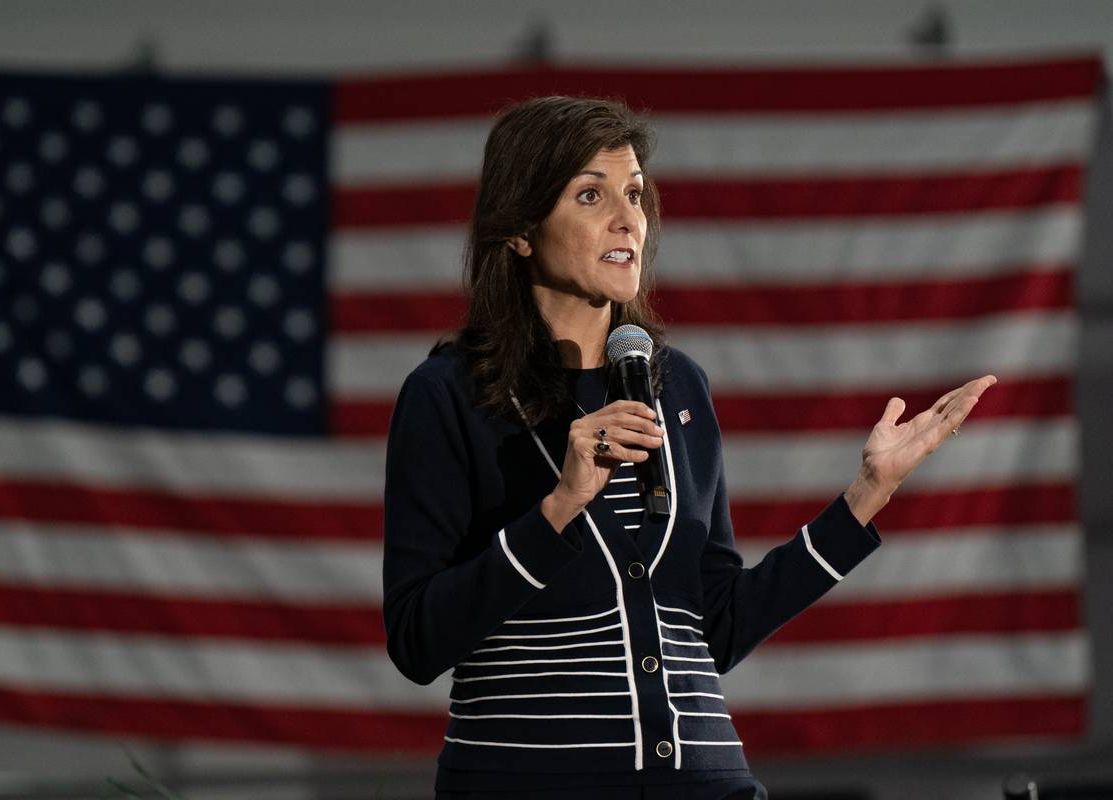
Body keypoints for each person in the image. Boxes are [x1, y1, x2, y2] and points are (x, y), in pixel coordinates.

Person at [381, 95, 996, 799]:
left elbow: (718, 626)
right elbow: (416, 641)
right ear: (521, 230)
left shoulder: (680, 389)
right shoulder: (447, 395)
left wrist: (866, 495)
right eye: (591, 195)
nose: (627, 220)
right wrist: (558, 508)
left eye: (635, 194)